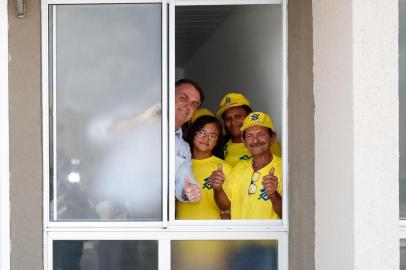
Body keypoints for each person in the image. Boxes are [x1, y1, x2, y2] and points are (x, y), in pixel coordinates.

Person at [176, 109, 232, 219]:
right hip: (181, 233)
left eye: (212, 135)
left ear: (217, 141)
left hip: (211, 233)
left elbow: (226, 206)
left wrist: (218, 189)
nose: (206, 138)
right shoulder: (180, 163)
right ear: (193, 133)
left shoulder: (224, 168)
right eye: (202, 132)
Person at [228, 112, 282, 219]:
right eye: (249, 136)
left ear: (272, 137)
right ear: (243, 141)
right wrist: (217, 188)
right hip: (241, 235)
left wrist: (273, 194)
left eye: (261, 134)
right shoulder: (239, 168)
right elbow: (225, 206)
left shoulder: (284, 168)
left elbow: (289, 215)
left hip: (270, 235)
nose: (255, 140)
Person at [216, 93, 281, 167]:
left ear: (249, 115)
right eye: (228, 118)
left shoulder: (266, 143)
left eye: (238, 116)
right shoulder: (219, 146)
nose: (233, 122)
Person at [175, 79, 204, 202]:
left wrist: (188, 191)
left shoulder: (184, 147)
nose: (188, 106)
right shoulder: (143, 127)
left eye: (194, 104)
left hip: (158, 216)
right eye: (183, 98)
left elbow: (184, 180)